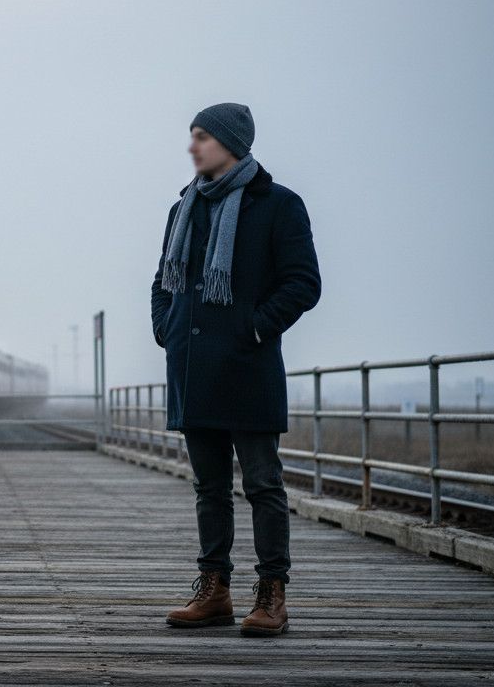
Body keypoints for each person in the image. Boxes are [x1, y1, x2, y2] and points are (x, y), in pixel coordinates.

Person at [151, 102, 321, 637]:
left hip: (247, 368)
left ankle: (272, 593)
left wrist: (253, 328)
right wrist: (168, 330)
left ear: (230, 143)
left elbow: (302, 283)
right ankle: (215, 589)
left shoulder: (278, 205)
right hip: (194, 368)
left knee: (264, 485)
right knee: (209, 488)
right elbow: (162, 281)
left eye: (201, 136)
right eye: (192, 136)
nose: (192, 146)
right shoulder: (184, 208)